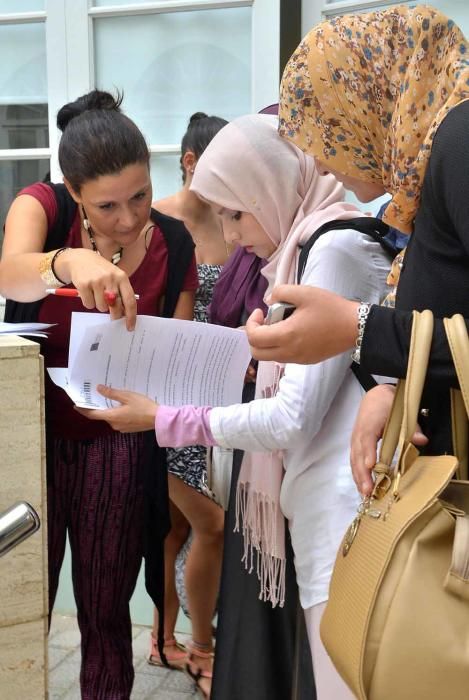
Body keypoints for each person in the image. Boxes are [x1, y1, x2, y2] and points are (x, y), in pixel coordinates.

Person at [77, 113, 390, 699]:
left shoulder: (333, 249)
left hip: (348, 510)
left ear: (269, 187)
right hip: (324, 506)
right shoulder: (301, 249)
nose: (232, 232)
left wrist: (163, 418)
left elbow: (293, 416)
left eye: (235, 212)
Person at [0, 89, 198, 699]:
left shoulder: (173, 243)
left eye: (140, 195)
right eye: (107, 205)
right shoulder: (44, 206)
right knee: (15, 600)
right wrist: (67, 265)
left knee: (107, 611)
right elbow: (11, 270)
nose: (129, 218)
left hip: (114, 441)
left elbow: (177, 347)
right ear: (75, 190)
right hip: (27, 434)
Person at [245, 4, 469, 496]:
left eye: (325, 133)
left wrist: (357, 326)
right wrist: (394, 388)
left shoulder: (459, 143)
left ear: (367, 100)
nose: (324, 166)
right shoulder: (427, 174)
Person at [146, 112, 229, 690]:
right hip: (163, 400)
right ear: (191, 162)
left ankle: (161, 641)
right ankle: (200, 648)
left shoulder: (232, 224)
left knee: (176, 525)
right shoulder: (159, 225)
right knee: (209, 524)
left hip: (213, 402)